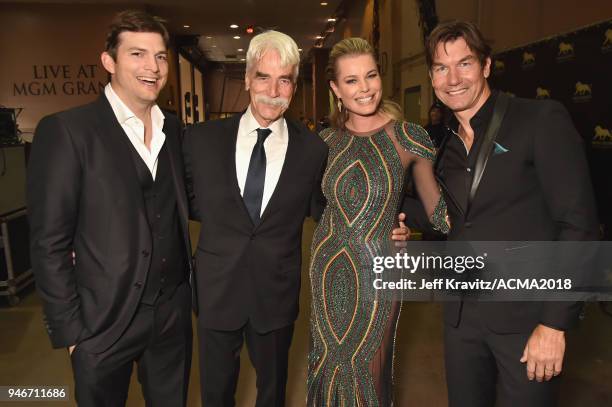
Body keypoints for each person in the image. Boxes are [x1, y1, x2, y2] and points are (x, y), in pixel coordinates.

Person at [183, 31, 408, 407]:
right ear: (247, 78)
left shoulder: (313, 150)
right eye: (264, 77)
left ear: (294, 85)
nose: (273, 90)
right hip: (216, 292)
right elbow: (181, 202)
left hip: (276, 294)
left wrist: (390, 222)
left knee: (272, 392)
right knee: (215, 393)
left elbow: (334, 207)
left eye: (284, 79)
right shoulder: (200, 140)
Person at [424, 20, 599, 407]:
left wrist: (554, 323)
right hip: (461, 321)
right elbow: (454, 216)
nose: (453, 78)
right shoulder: (443, 144)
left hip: (527, 321)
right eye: (441, 67)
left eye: (464, 64)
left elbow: (578, 227)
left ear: (486, 66)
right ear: (432, 77)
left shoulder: (538, 120)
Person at [27, 10, 194, 406]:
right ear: (109, 61)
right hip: (102, 322)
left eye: (160, 56)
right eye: (137, 54)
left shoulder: (175, 130)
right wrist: (73, 334)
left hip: (171, 314)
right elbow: (48, 241)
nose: (152, 67)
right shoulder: (68, 131)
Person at [307, 37, 448, 406]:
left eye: (370, 75)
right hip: (327, 266)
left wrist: (402, 222)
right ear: (336, 89)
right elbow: (319, 205)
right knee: (327, 364)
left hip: (379, 268)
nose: (364, 87)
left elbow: (438, 214)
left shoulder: (408, 137)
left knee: (369, 369)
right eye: (351, 80)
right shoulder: (326, 141)